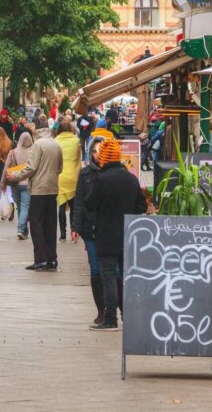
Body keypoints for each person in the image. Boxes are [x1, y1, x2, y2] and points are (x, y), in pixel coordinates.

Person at [86, 137, 148, 331]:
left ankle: (110, 318)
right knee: (125, 276)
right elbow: (141, 206)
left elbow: (89, 204)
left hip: (105, 235)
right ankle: (128, 317)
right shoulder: (130, 178)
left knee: (108, 277)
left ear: (103, 157)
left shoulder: (101, 180)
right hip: (127, 234)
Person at [7, 115, 62, 271]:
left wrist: (15, 175)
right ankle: (52, 258)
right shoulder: (56, 144)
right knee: (51, 224)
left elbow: (31, 167)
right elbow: (60, 168)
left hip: (38, 190)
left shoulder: (38, 145)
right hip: (52, 189)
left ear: (36, 130)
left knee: (36, 224)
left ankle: (40, 259)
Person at [71, 135, 110, 326]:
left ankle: (115, 309)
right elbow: (79, 201)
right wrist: (75, 227)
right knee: (95, 270)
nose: (97, 155)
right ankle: (101, 310)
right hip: (91, 229)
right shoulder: (85, 174)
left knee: (113, 272)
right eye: (94, 151)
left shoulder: (113, 173)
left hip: (110, 229)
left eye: (100, 150)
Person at [1, 131, 33, 240]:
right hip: (27, 183)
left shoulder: (13, 152)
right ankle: (20, 229)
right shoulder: (33, 152)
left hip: (14, 183)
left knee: (20, 207)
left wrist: (2, 183)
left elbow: (6, 168)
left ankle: (24, 231)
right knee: (25, 207)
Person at [55, 117, 81, 242]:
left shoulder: (55, 141)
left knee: (61, 206)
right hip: (73, 177)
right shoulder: (76, 141)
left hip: (60, 176)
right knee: (73, 206)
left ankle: (62, 234)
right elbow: (79, 159)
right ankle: (73, 231)